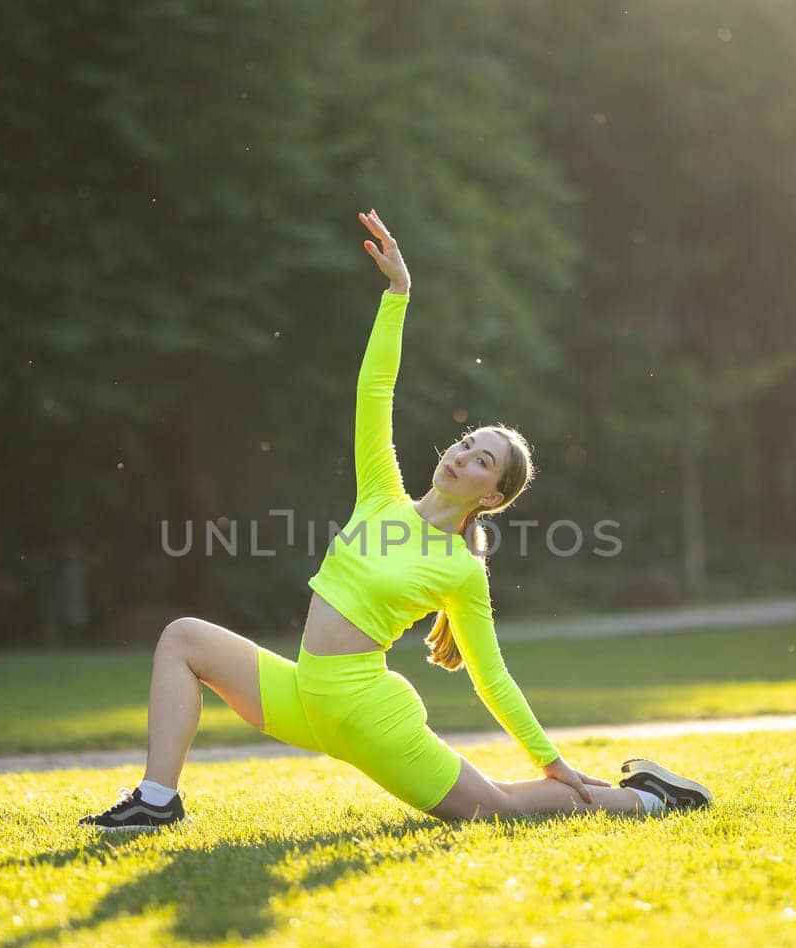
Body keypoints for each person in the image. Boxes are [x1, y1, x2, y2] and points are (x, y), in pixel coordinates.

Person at [81, 209, 711, 831]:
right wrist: (398, 294)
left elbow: (491, 678)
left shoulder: (461, 571)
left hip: (365, 714)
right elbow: (373, 390)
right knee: (183, 637)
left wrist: (551, 760)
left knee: (500, 808)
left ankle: (652, 798)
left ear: (492, 497)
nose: (461, 456)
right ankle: (157, 799)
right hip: (304, 696)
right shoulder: (381, 495)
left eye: (481, 460)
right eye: (466, 443)